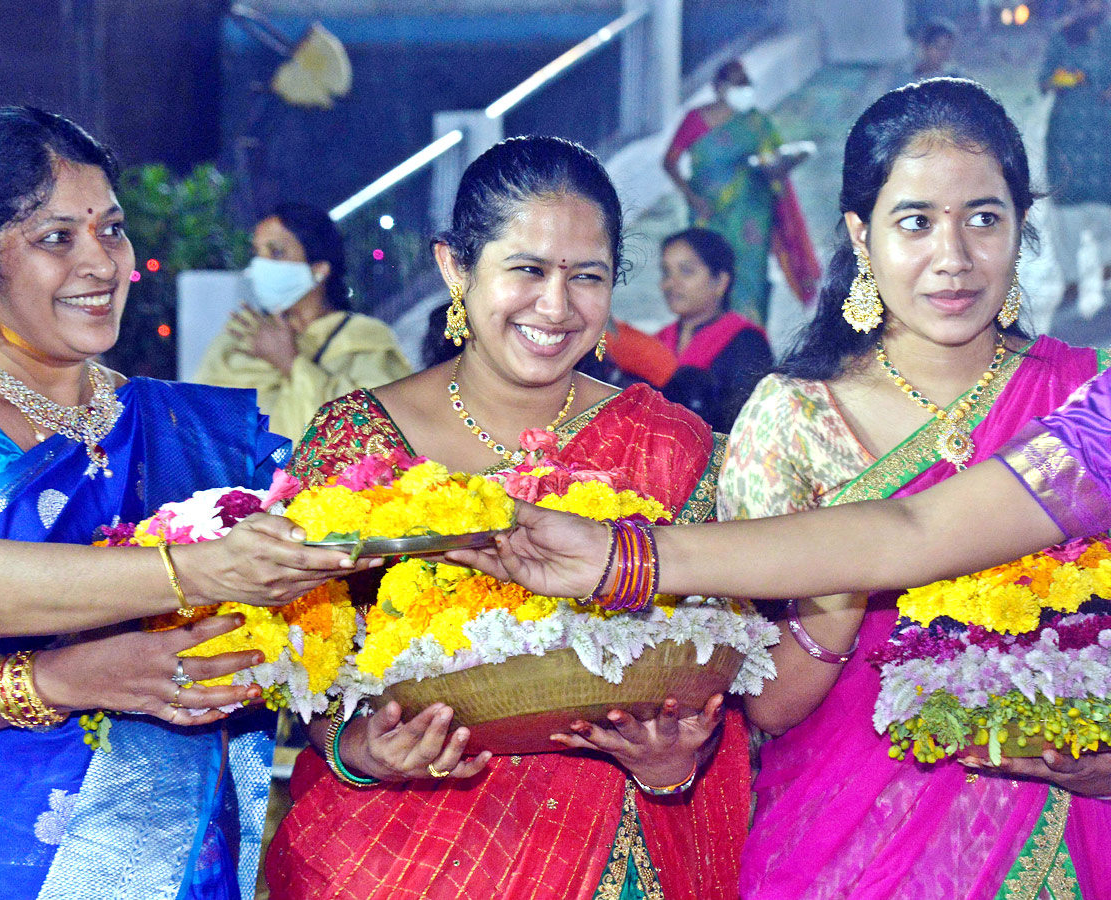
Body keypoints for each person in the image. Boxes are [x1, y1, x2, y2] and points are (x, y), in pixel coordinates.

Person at [457, 81, 1111, 897]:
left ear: (1022, 226)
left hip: (1070, 841)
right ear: (859, 235)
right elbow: (764, 708)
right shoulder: (796, 416)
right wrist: (835, 587)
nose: (954, 257)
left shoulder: (1084, 401)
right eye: (916, 222)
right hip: (847, 845)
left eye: (985, 218)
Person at [265, 136, 750, 900]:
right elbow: (302, 674)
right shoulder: (357, 442)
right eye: (525, 269)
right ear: (456, 267)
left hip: (619, 853)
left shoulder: (674, 447)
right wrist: (360, 746)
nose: (555, 308)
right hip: (397, 858)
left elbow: (718, 665)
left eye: (585, 277)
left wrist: (671, 767)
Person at [0, 107, 368, 900]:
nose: (102, 263)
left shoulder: (183, 426)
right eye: (56, 238)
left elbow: (324, 579)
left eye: (111, 230)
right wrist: (62, 677)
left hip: (188, 856)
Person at [195, 203, 410, 439]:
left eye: (276, 252)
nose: (261, 266)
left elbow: (377, 431)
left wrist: (290, 363)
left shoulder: (365, 340)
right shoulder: (241, 337)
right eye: (257, 253)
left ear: (318, 269)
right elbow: (197, 426)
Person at [662, 59, 819, 325]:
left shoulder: (756, 123)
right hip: (708, 215)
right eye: (737, 83)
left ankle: (748, 335)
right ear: (719, 88)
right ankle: (707, 337)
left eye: (746, 82)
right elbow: (670, 161)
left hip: (751, 216)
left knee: (750, 276)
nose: (743, 88)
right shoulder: (695, 120)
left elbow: (772, 166)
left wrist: (792, 160)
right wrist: (692, 197)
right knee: (707, 272)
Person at [654, 228, 772, 431]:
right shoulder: (657, 341)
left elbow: (748, 426)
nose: (670, 284)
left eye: (686, 271)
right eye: (666, 272)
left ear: (720, 282)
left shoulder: (747, 343)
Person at [1041, 0, 1111, 309]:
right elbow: (1043, 80)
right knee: (1067, 204)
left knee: (1106, 203)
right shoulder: (1063, 36)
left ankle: (1108, 263)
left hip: (1104, 137)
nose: (1094, 6)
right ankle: (1070, 278)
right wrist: (1064, 77)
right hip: (1068, 135)